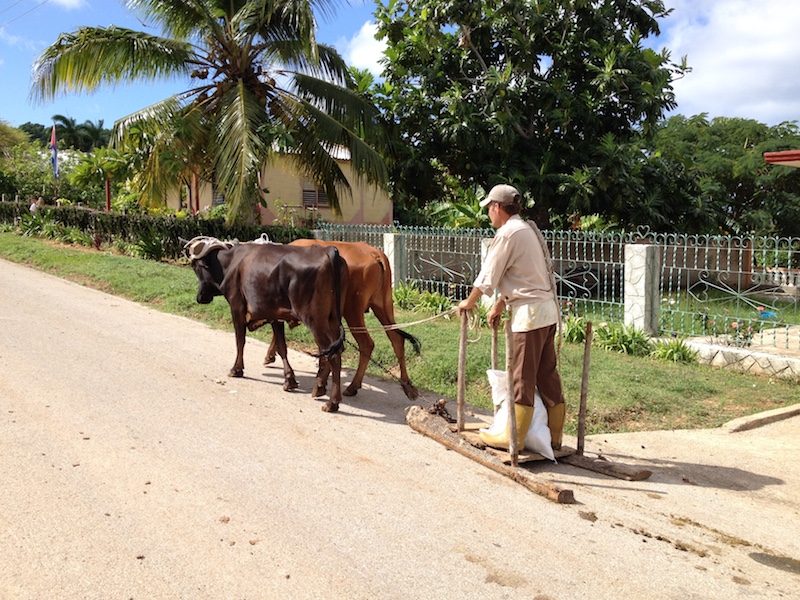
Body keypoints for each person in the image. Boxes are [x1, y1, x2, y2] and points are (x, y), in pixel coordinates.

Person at [458, 184, 566, 450]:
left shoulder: (507, 234)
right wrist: (499, 305)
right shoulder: (527, 229)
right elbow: (521, 275)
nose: (488, 215)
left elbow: (488, 276)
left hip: (528, 317)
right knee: (546, 374)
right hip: (546, 312)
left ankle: (512, 438)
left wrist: (468, 303)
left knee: (521, 377)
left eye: (489, 209)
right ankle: (555, 437)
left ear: (496, 207)